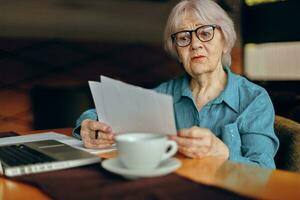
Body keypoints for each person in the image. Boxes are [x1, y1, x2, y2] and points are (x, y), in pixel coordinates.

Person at [73, 0, 279, 168]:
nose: (195, 44)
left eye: (205, 33)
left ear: (224, 42)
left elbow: (264, 173)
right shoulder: (165, 94)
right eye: (183, 38)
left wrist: (223, 153)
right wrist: (88, 126)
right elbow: (104, 114)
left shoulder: (254, 99)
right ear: (178, 53)